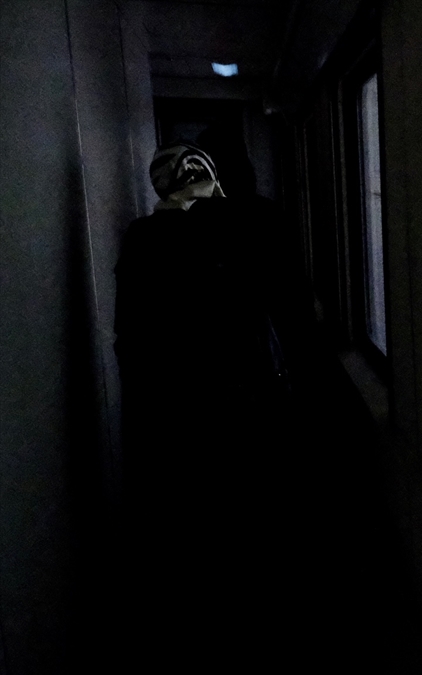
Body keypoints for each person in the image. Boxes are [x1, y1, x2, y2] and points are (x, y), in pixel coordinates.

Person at [114, 141, 291, 667]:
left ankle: (203, 622)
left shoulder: (141, 240)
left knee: (192, 525)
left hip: (171, 411)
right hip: (241, 400)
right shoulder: (236, 228)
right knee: (249, 518)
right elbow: (263, 309)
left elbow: (131, 338)